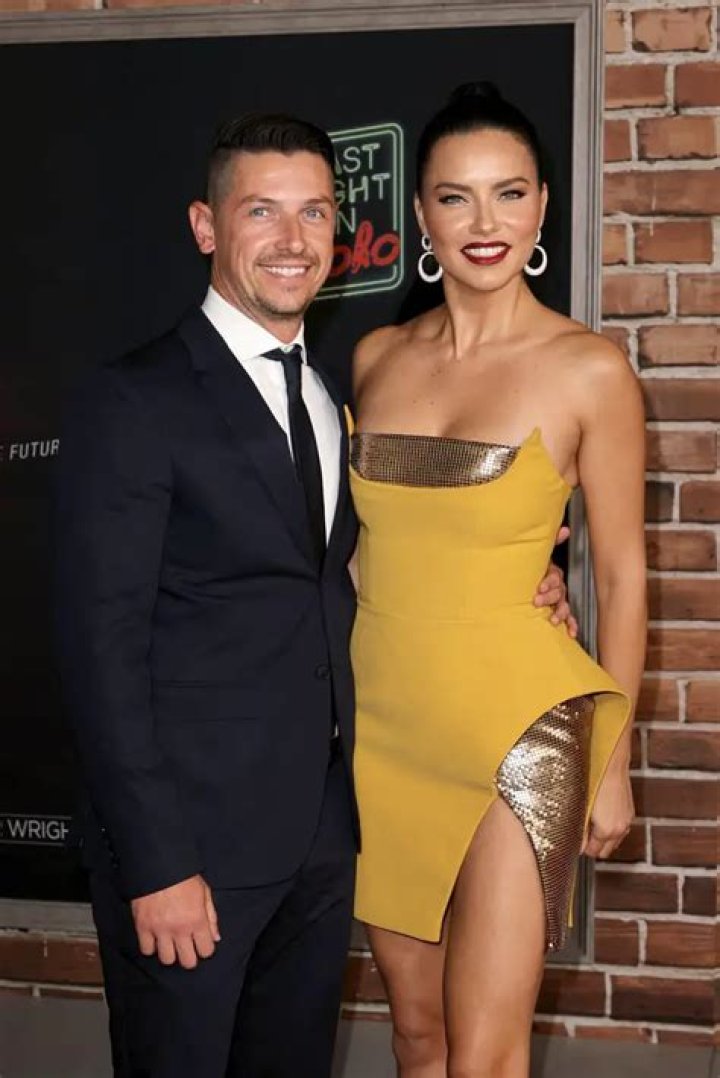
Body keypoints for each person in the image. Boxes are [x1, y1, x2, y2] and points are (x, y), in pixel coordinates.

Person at [54, 110, 573, 1078]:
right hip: (190, 851)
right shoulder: (134, 399)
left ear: (341, 231)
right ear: (206, 227)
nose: (291, 239)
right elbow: (98, 651)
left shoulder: (339, 396)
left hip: (323, 840)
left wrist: (524, 581)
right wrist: (156, 861)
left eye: (315, 212)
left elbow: (359, 570)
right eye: (261, 211)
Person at [350, 83, 646, 1078]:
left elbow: (622, 575)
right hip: (387, 728)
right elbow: (362, 548)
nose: (486, 223)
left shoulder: (589, 370)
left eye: (510, 193)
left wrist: (613, 758)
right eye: (457, 197)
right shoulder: (376, 357)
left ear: (543, 206)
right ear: (421, 215)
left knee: (484, 1054)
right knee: (418, 1038)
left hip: (523, 728)